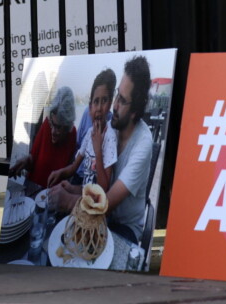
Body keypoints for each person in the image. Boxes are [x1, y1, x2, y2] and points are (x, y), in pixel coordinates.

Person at [53, 55, 153, 244]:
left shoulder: (143, 144)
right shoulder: (111, 129)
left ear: (135, 112)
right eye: (117, 95)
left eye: (122, 101)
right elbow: (99, 187)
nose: (113, 106)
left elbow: (105, 203)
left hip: (124, 228)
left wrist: (67, 201)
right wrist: (74, 188)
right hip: (103, 220)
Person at [47, 68, 117, 190]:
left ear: (110, 103)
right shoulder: (89, 133)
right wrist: (60, 173)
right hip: (85, 194)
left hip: (96, 201)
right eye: (96, 102)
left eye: (104, 101)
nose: (99, 108)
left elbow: (103, 188)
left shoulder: (110, 138)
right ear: (90, 107)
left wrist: (98, 149)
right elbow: (74, 167)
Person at [8, 85, 77, 189]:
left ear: (67, 127)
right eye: (52, 124)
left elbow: (68, 172)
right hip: (32, 189)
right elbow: (33, 159)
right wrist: (25, 161)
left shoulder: (72, 135)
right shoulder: (46, 124)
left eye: (58, 127)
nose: (53, 131)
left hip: (52, 195)